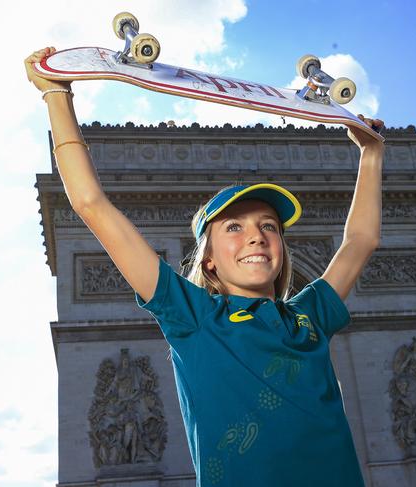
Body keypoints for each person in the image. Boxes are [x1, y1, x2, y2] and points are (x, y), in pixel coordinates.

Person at [25, 46, 385, 487]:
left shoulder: (311, 316)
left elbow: (360, 241)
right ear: (209, 260)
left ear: (281, 247)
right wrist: (56, 94)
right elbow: (91, 204)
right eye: (234, 227)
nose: (256, 235)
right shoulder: (193, 317)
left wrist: (371, 152)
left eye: (269, 226)